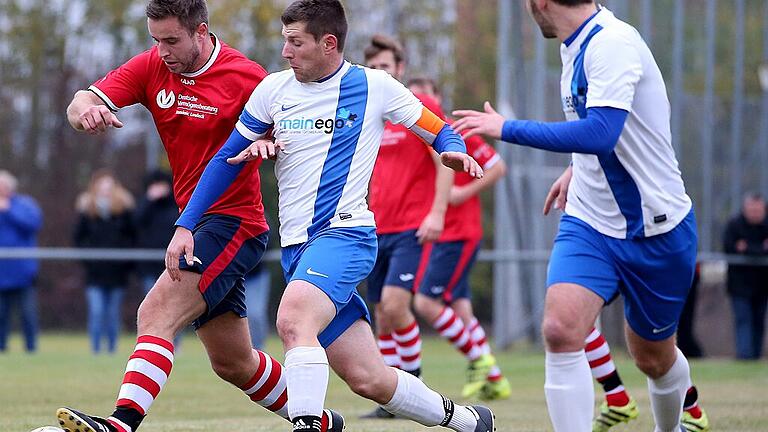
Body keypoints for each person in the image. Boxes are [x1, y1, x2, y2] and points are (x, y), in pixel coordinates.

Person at [168, 2, 495, 431]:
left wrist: (454, 150)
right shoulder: (273, 91)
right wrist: (186, 224)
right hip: (298, 250)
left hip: (346, 236)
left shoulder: (374, 85)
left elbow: (440, 129)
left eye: (295, 42)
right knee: (368, 378)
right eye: (284, 40)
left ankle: (306, 424)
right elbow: (225, 159)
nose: (285, 51)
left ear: (328, 44)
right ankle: (471, 422)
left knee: (292, 319)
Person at [57, 1, 344, 432]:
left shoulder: (245, 77)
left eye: (172, 40)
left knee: (156, 314)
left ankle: (120, 424)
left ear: (201, 31)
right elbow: (82, 101)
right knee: (233, 361)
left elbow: (292, 131)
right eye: (156, 41)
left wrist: (270, 144)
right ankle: (320, 421)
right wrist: (85, 112)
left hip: (235, 223)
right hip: (195, 222)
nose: (163, 51)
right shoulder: (152, 65)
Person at [453, 1, 707, 431]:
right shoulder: (573, 41)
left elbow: (602, 133)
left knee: (653, 357)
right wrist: (577, 168)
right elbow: (607, 129)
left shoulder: (611, 43)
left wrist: (507, 129)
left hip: (657, 228)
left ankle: (677, 424)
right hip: (590, 221)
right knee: (560, 328)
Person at [360, 35, 457, 418]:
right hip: (375, 227)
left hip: (412, 227)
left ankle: (412, 385)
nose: (380, 74)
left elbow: (445, 159)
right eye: (374, 68)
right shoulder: (370, 112)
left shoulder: (419, 107)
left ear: (399, 70)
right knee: (382, 313)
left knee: (398, 305)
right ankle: (392, 398)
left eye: (385, 67)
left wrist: (437, 213)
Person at [407, 77, 511, 401]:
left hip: (458, 232)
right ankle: (494, 378)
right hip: (438, 234)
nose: (420, 103)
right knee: (461, 308)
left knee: (426, 302)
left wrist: (464, 192)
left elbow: (497, 165)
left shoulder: (453, 132)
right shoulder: (409, 135)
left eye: (426, 97)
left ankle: (480, 361)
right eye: (413, 98)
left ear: (438, 99)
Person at [74, 170, 136, 354]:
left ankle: (111, 349)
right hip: (94, 273)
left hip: (117, 272)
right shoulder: (87, 212)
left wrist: (125, 261)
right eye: (101, 186)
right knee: (96, 310)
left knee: (112, 313)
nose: (105, 191)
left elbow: (132, 237)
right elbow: (78, 238)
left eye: (109, 187)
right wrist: (88, 260)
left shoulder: (124, 211)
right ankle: (95, 349)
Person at [134, 169, 185, 346]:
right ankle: (151, 344)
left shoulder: (175, 205)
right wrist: (149, 200)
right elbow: (136, 222)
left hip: (173, 264)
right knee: (152, 307)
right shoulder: (146, 206)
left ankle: (174, 344)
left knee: (173, 308)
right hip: (149, 266)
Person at [0, 170, 42, 353]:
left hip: (23, 272)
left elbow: (33, 224)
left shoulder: (24, 205)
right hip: (2, 272)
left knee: (27, 313)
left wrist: (9, 211)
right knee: (1, 314)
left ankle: (31, 349)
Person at [723, 192, 768, 360]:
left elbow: (743, 248)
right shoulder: (735, 225)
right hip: (739, 285)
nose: (755, 213)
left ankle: (756, 357)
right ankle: (745, 357)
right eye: (752, 210)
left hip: (763, 284)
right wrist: (760, 249)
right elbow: (729, 247)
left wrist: (747, 248)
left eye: (758, 210)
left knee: (759, 322)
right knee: (743, 320)